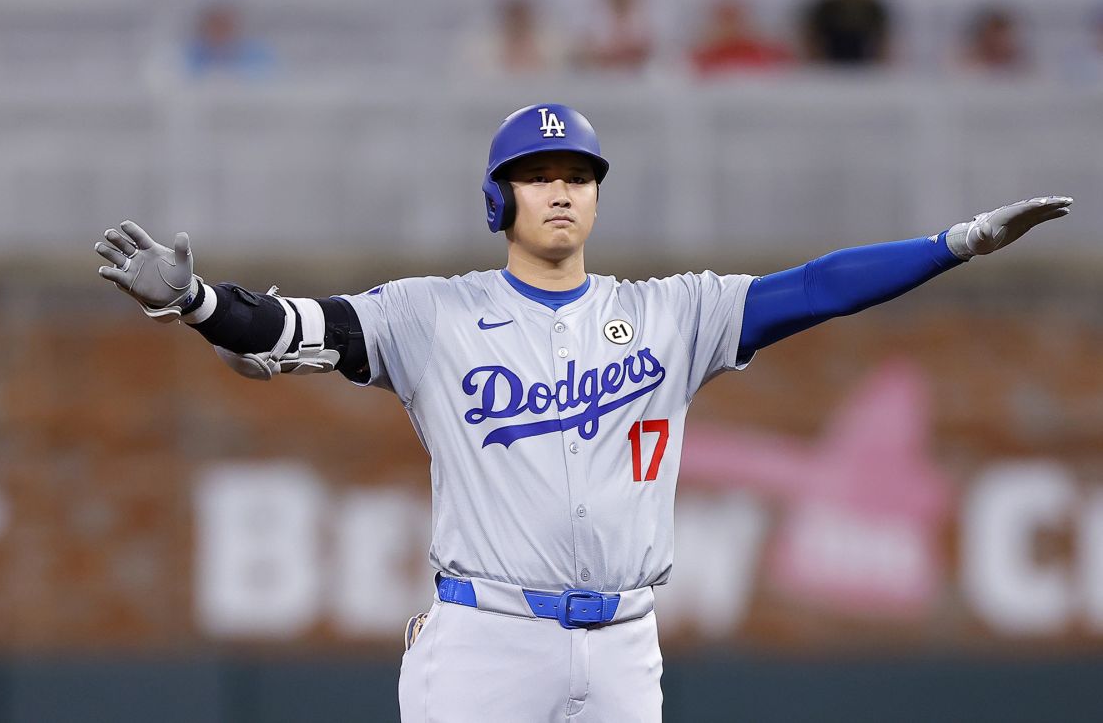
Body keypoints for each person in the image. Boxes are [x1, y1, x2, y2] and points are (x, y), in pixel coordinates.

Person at [94, 103, 1072, 722]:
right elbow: (284, 326)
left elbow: (815, 286)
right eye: (539, 175)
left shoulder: (670, 312)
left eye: (577, 177)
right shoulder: (433, 313)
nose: (560, 190)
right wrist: (195, 303)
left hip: (622, 645)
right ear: (499, 198)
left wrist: (957, 241)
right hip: (487, 638)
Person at [800, 0, 891, 66]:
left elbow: (882, 37)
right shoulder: (828, 6)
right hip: (830, 59)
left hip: (864, 61)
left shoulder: (872, 7)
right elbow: (813, 34)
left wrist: (879, 60)